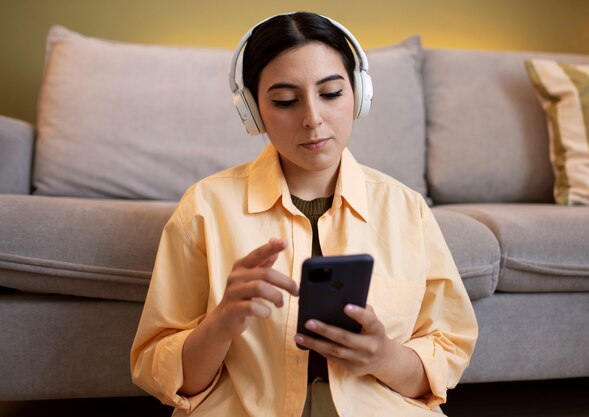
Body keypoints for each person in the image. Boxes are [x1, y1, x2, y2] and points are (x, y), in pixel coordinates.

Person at [131, 11, 478, 417]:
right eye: (284, 101)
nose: (312, 119)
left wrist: (383, 356)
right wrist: (221, 323)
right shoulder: (205, 208)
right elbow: (166, 377)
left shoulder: (407, 210)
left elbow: (446, 356)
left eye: (331, 94)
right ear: (253, 111)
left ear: (360, 94)